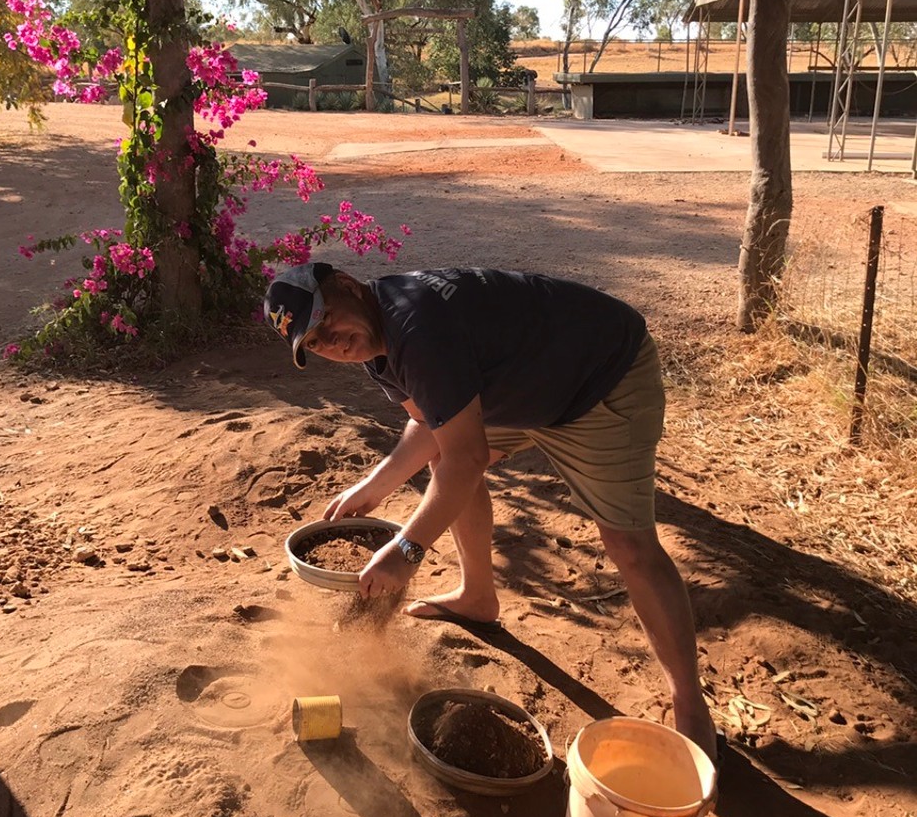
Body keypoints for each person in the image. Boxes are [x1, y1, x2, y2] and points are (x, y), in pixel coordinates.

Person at [264, 260, 717, 762]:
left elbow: (469, 456)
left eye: (328, 323)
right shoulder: (379, 348)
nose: (333, 343)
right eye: (315, 343)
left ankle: (691, 707)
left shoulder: (416, 325)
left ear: (348, 286)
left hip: (598, 379)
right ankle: (478, 598)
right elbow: (434, 424)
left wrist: (407, 549)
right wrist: (377, 485)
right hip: (521, 386)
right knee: (444, 461)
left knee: (629, 544)